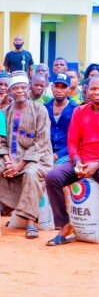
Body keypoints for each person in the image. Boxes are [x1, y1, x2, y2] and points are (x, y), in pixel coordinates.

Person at [44, 75, 99, 251]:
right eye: (93, 89)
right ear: (86, 91)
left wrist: (98, 164)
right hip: (82, 160)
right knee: (52, 176)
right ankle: (64, 226)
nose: (97, 92)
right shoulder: (79, 111)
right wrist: (77, 161)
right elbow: (72, 142)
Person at [0, 72, 53, 238]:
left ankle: (30, 221)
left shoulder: (40, 110)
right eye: (15, 88)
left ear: (29, 89)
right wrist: (8, 162)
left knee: (30, 174)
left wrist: (19, 165)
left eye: (23, 87)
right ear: (10, 91)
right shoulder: (4, 112)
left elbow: (42, 142)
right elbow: (1, 141)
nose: (20, 91)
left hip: (39, 158)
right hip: (11, 158)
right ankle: (11, 208)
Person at [45, 73, 77, 164]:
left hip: (67, 154)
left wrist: (56, 155)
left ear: (69, 89)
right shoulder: (44, 108)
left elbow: (77, 140)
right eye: (56, 86)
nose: (59, 90)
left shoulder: (76, 110)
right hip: (45, 153)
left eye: (63, 87)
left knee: (55, 172)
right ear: (51, 87)